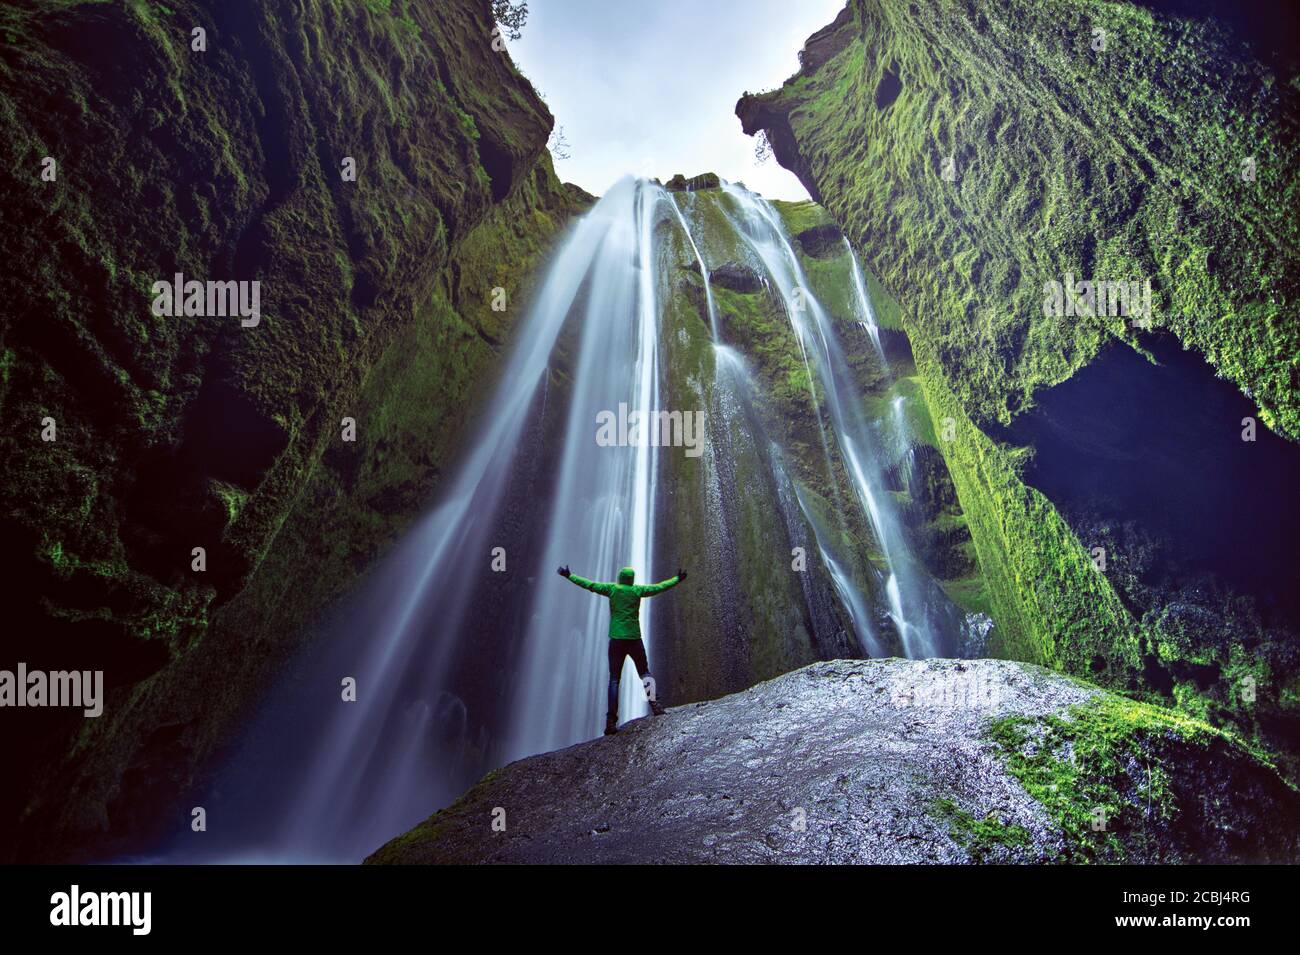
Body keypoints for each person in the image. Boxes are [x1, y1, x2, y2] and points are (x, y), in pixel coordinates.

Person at [557, 564, 687, 735]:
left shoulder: (612, 589)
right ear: (632, 579)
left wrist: (569, 575)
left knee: (614, 680)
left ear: (619, 578)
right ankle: (655, 705)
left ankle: (611, 721)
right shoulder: (637, 591)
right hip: (634, 639)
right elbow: (659, 587)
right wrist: (677, 579)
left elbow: (589, 585)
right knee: (645, 672)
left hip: (617, 640)